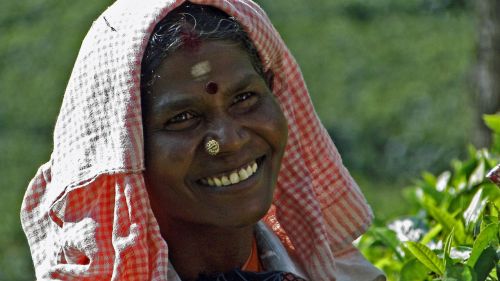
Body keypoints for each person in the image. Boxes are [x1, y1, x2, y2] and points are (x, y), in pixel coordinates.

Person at [21, 1, 385, 280]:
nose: (228, 141)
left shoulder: (341, 273)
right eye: (183, 119)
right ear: (126, 149)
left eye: (245, 99)